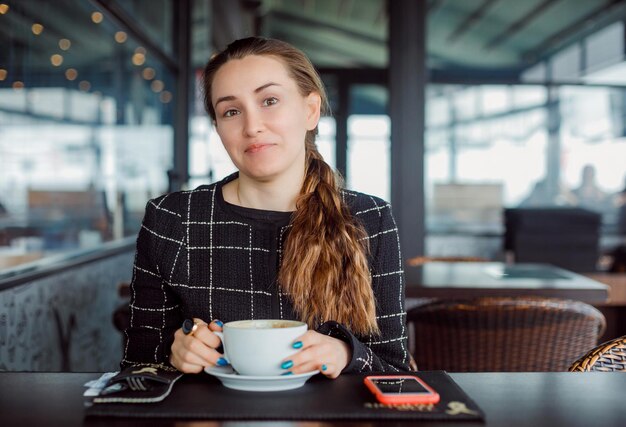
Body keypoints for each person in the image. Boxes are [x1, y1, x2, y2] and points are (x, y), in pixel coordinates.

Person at [121, 37, 410, 378]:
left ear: (310, 110)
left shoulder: (370, 219)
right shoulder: (171, 219)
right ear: (217, 128)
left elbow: (395, 371)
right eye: (231, 111)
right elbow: (136, 369)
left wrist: (347, 354)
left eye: (269, 100)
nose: (252, 126)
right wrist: (175, 353)